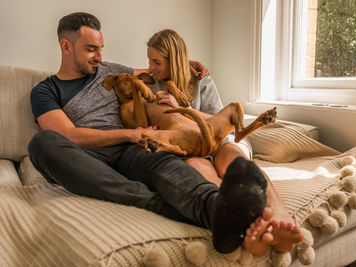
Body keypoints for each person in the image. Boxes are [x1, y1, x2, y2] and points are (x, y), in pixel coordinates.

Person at [28, 11, 271, 254]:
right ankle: (153, 203)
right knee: (42, 144)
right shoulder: (45, 91)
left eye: (101, 48)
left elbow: (158, 68)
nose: (100, 57)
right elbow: (68, 135)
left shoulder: (108, 69)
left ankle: (219, 211)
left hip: (131, 151)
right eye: (91, 49)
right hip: (87, 158)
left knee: (168, 164)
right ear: (66, 46)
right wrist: (129, 134)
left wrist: (188, 63)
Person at [145, 29, 304, 255]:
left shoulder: (201, 80)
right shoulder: (150, 85)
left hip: (219, 140)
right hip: (191, 149)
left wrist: (182, 109)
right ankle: (252, 222)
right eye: (149, 60)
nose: (151, 67)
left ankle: (279, 213)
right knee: (197, 169)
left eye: (156, 61)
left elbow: (222, 121)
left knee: (235, 162)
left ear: (175, 60)